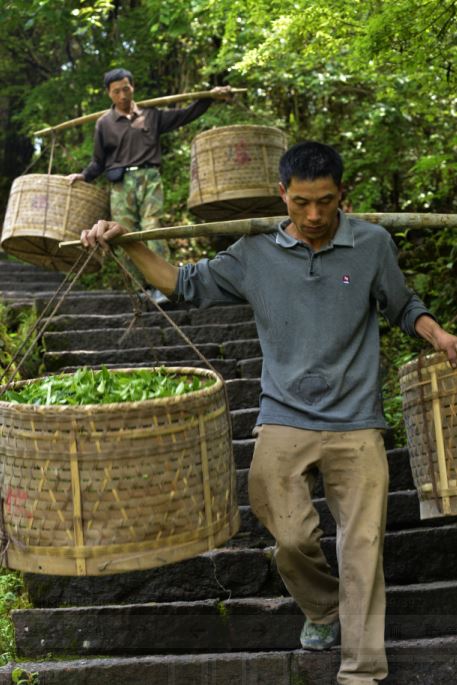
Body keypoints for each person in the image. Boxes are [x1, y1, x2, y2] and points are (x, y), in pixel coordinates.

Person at [81, 141, 457, 685]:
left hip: (356, 420)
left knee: (363, 544)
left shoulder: (372, 244)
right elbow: (183, 285)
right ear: (282, 194)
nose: (313, 216)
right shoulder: (253, 252)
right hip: (284, 414)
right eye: (301, 202)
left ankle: (362, 671)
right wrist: (129, 245)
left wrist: (438, 334)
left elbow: (401, 304)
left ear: (341, 195)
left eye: (325, 202)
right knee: (291, 536)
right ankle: (325, 608)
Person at [68, 67, 233, 262]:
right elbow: (98, 161)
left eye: (126, 89)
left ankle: (162, 286)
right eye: (116, 91)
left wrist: (209, 98)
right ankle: (138, 286)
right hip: (121, 184)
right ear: (109, 93)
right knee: (121, 234)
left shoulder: (152, 115)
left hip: (150, 178)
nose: (122, 95)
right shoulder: (104, 123)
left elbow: (186, 114)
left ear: (133, 87)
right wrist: (84, 176)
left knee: (153, 227)